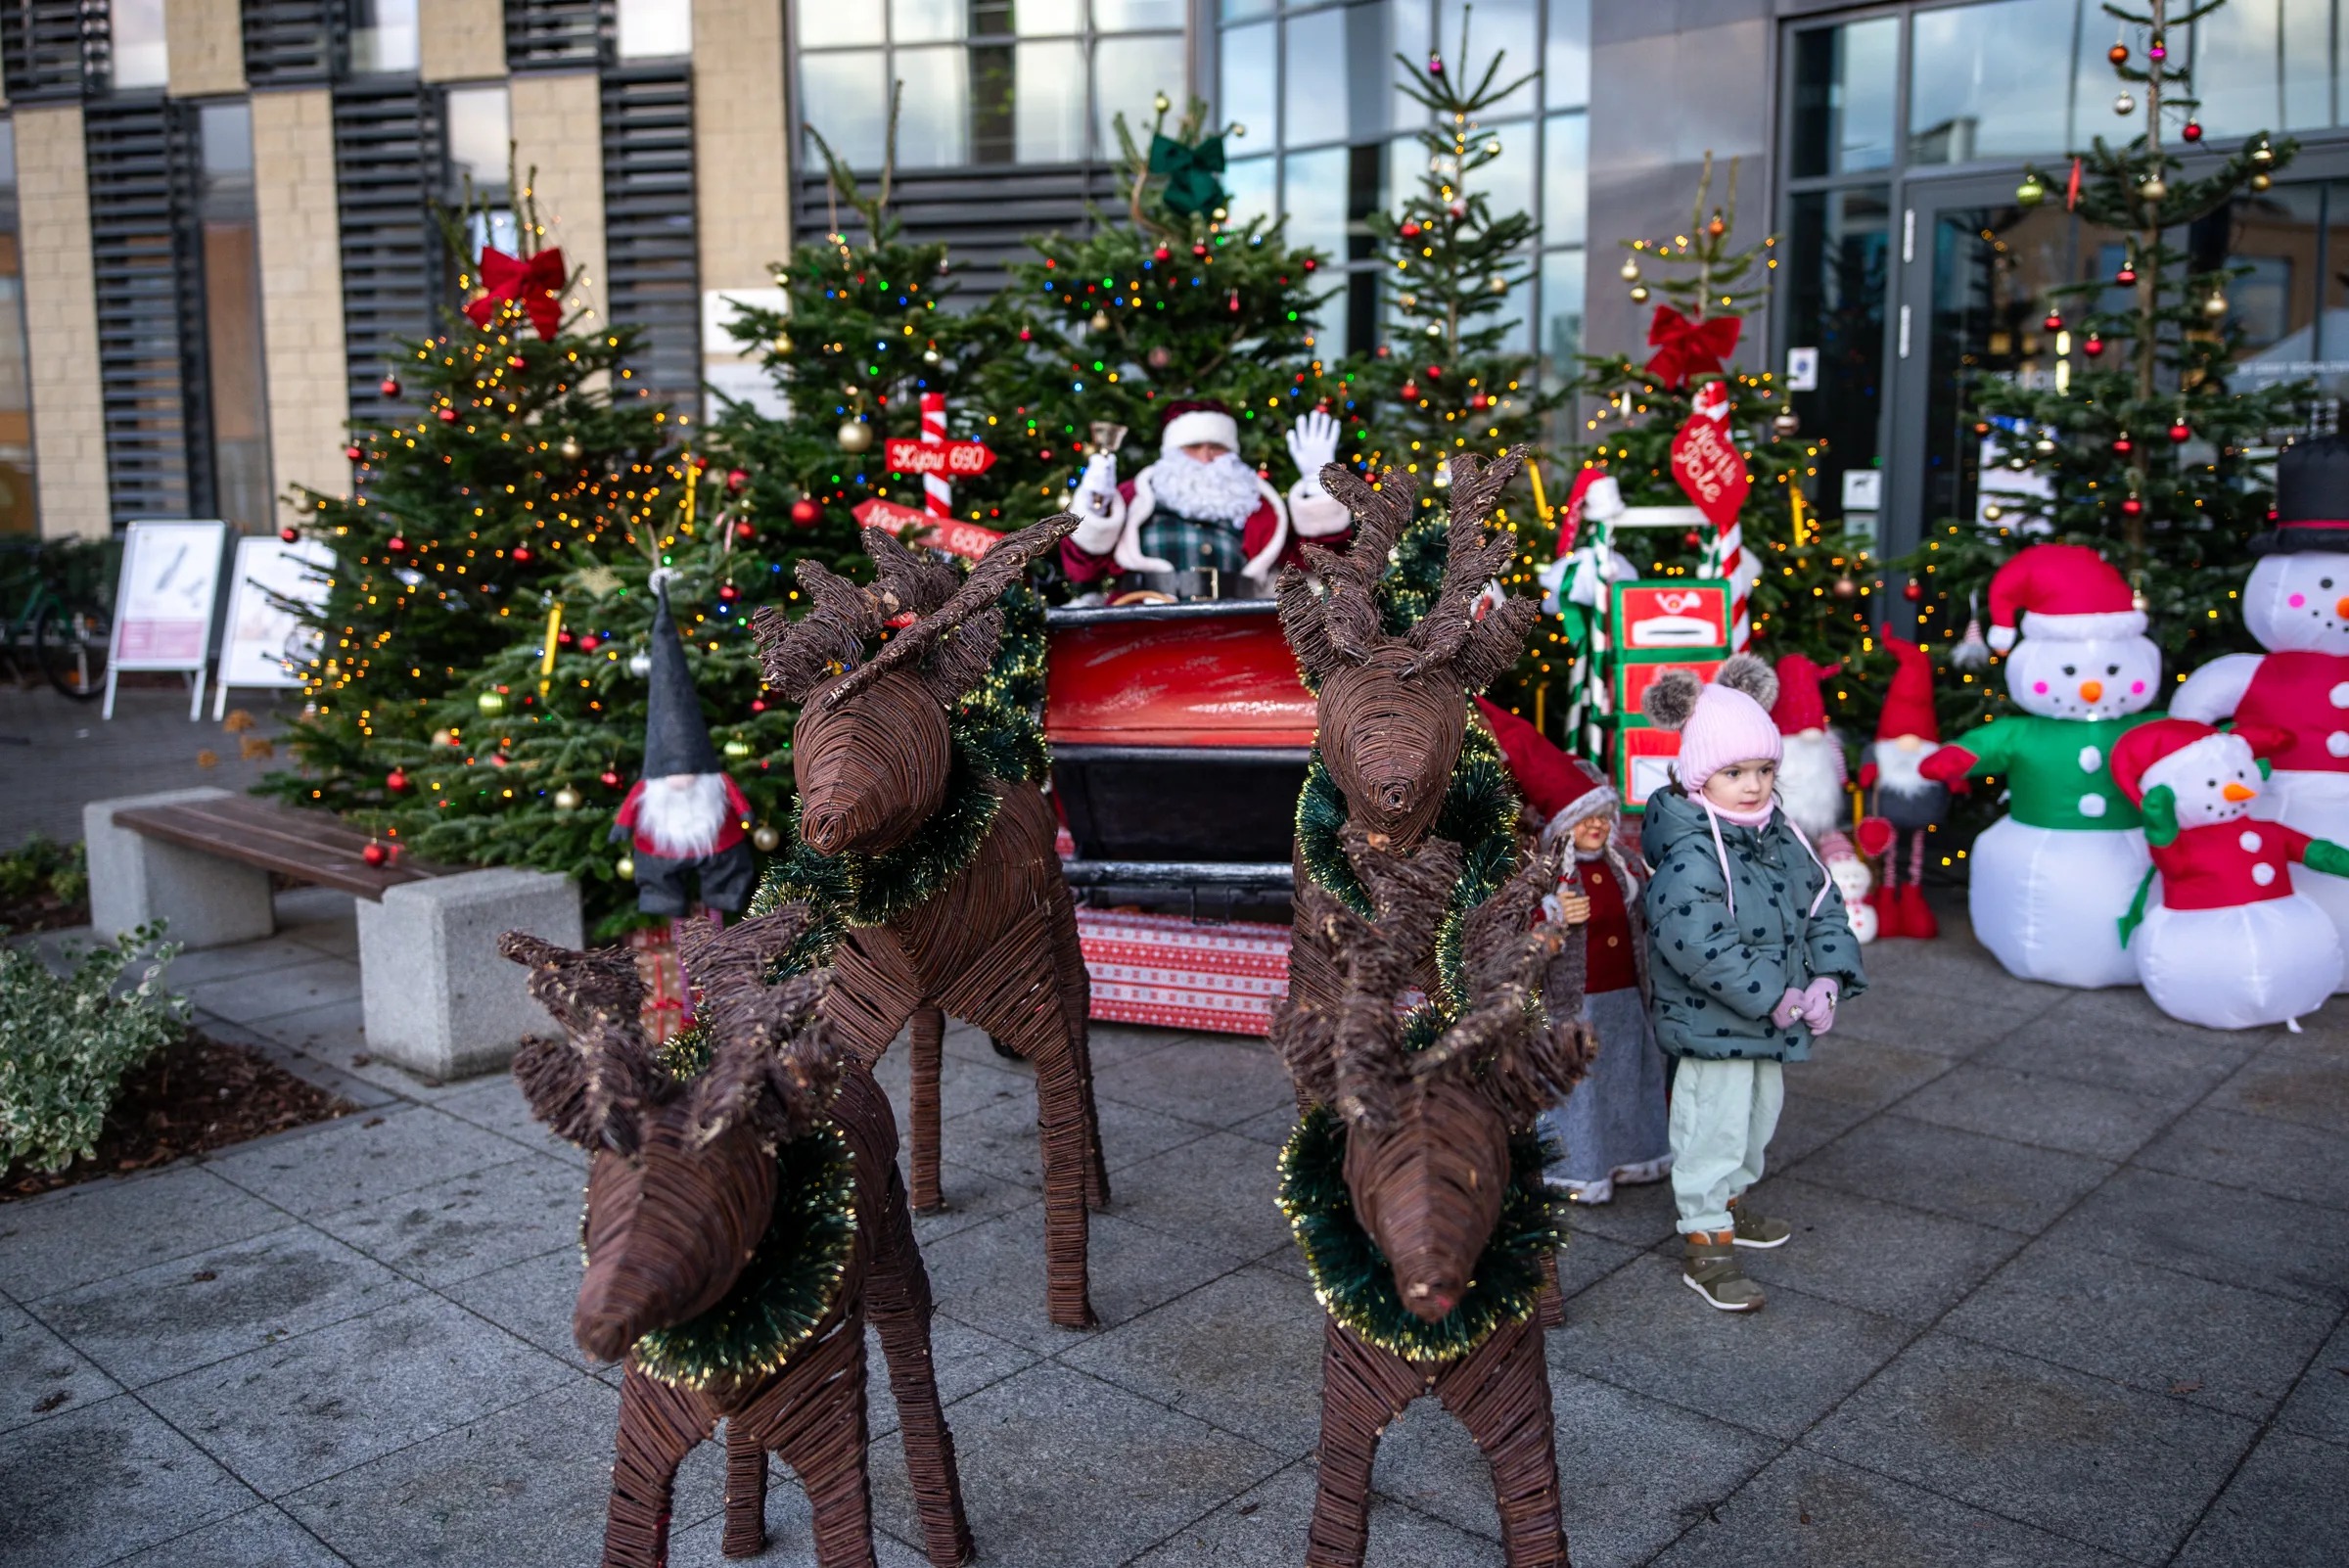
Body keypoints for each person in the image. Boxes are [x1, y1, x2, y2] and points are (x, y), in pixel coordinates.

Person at [1637, 654, 1866, 1313]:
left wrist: (1827, 978)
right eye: (1734, 772)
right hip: (1716, 1023)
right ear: (1700, 774)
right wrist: (1775, 994)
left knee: (1757, 1118)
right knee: (1711, 1126)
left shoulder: (1778, 834)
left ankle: (1732, 1201)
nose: (1753, 784)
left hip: (1775, 1017)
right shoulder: (1691, 850)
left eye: (1764, 769)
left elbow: (1822, 904)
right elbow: (1700, 943)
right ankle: (1706, 1236)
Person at [1474, 699, 1668, 1205]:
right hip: (1573, 1001)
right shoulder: (1544, 873)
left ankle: (1633, 1157)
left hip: (1627, 994)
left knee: (1625, 1078)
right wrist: (1551, 914)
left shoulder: (1624, 864)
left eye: (1602, 816)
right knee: (1578, 1088)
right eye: (1584, 819)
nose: (1596, 826)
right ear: (1562, 824)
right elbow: (1510, 928)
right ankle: (1578, 1169)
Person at [1060, 400, 1352, 592]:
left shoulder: (1258, 504)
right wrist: (1096, 506)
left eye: (1217, 447)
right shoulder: (1134, 496)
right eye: (1193, 446)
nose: (1206, 457)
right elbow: (1083, 568)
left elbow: (1319, 562)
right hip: (1141, 619)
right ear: (1172, 452)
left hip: (1235, 624)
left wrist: (1317, 485)